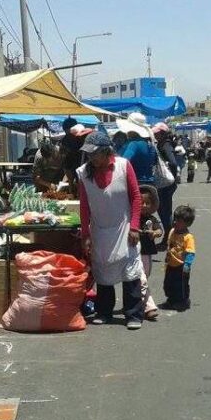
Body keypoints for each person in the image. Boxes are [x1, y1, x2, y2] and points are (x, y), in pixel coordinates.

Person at [77, 132, 144, 330]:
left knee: (130, 271)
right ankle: (104, 311)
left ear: (106, 151)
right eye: (88, 154)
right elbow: (84, 206)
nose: (91, 158)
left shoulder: (124, 166)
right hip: (100, 230)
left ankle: (133, 314)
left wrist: (134, 226)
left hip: (124, 228)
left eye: (94, 154)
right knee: (102, 271)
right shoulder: (83, 173)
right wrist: (86, 234)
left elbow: (136, 198)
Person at [161, 205, 196, 311]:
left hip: (181, 266)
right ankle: (171, 299)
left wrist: (187, 264)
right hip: (171, 264)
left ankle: (183, 301)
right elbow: (170, 245)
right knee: (168, 283)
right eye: (174, 219)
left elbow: (190, 252)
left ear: (187, 223)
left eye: (179, 221)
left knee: (181, 286)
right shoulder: (172, 231)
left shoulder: (188, 237)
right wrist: (167, 256)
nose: (175, 222)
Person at [139, 185, 162, 320]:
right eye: (141, 203)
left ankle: (137, 302)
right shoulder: (133, 217)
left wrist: (154, 233)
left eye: (147, 203)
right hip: (135, 253)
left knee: (144, 278)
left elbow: (159, 231)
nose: (144, 206)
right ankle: (149, 307)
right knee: (141, 279)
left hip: (147, 253)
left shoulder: (151, 219)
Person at [153, 122, 178, 250]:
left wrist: (171, 176)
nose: (155, 134)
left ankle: (169, 239)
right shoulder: (163, 143)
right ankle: (169, 238)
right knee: (163, 211)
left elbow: (173, 163)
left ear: (162, 133)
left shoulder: (166, 145)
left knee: (165, 212)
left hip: (166, 184)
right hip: (167, 183)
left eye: (157, 133)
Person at [118, 113, 156, 185]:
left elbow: (123, 163)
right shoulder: (150, 144)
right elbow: (154, 162)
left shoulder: (133, 144)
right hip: (150, 181)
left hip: (136, 182)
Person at [60, 119, 93, 188]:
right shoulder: (66, 141)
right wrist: (70, 183)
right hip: (78, 170)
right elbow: (66, 163)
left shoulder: (87, 139)